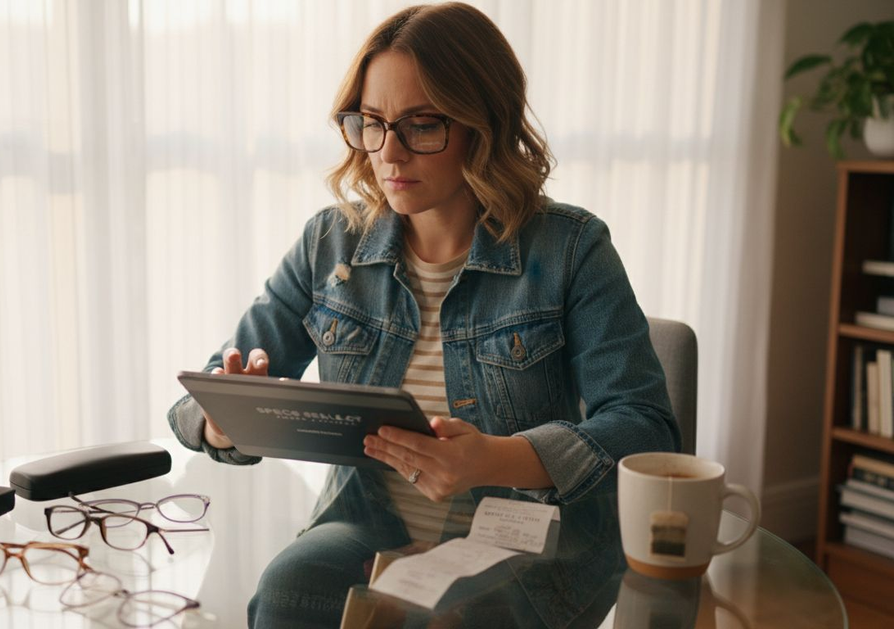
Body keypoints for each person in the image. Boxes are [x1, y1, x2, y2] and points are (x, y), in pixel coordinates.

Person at [168, 3, 680, 627]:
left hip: (525, 537)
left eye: (421, 126)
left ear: (481, 126)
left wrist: (496, 458)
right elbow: (196, 405)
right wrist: (227, 421)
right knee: (287, 589)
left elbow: (645, 427)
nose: (389, 152)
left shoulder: (571, 248)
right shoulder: (330, 244)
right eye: (372, 123)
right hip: (368, 527)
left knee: (460, 618)